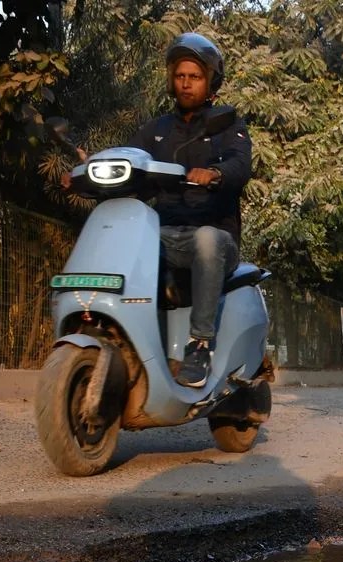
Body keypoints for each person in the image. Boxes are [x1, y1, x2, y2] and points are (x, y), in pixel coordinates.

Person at [128, 32, 253, 387]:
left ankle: (199, 345)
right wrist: (88, 171)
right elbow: (130, 160)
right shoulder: (155, 130)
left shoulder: (228, 126)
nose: (186, 84)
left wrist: (215, 173)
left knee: (208, 240)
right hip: (165, 234)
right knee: (126, 237)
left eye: (194, 77)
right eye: (180, 76)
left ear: (210, 81)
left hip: (215, 237)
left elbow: (240, 166)